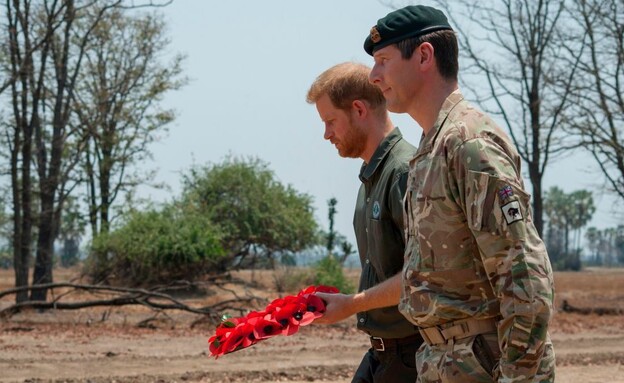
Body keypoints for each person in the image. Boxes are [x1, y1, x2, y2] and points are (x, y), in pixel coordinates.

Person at [363, 5, 556, 383]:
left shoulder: (469, 143)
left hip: (486, 366)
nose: (373, 76)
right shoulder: (430, 149)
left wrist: (516, 377)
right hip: (443, 363)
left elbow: (525, 277)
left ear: (423, 56)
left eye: (383, 60)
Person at [306, 62, 423, 383]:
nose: (326, 134)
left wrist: (352, 304)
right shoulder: (371, 178)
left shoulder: (404, 173)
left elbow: (423, 275)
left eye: (330, 121)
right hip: (381, 353)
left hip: (413, 356)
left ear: (358, 109)